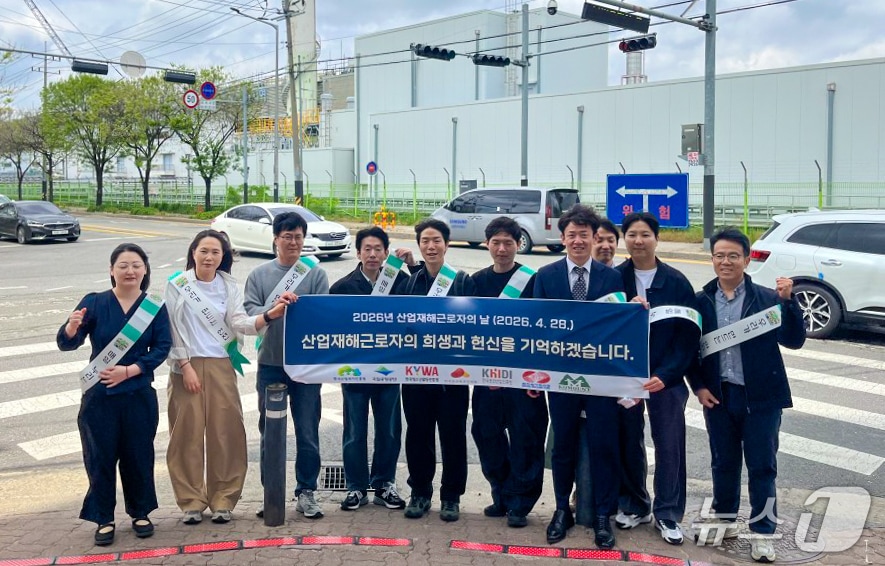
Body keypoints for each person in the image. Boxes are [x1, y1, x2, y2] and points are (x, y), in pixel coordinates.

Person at [689, 227, 805, 564]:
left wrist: (790, 303)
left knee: (762, 467)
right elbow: (689, 351)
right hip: (719, 398)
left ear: (746, 258)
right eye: (719, 255)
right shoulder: (701, 301)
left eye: (733, 256)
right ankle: (724, 521)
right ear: (712, 259)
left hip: (761, 398)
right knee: (723, 463)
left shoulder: (767, 298)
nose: (725, 262)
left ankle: (763, 532)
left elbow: (794, 340)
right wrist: (699, 386)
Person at [165, 229, 285, 525]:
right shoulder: (178, 285)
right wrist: (185, 366)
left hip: (222, 365)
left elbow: (239, 322)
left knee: (226, 433)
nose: (209, 257)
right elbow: (171, 329)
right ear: (193, 252)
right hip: (186, 367)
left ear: (223, 257)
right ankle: (191, 501)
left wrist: (267, 316)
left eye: (215, 252)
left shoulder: (229, 286)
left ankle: (223, 499)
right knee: (186, 435)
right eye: (203, 250)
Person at [57, 243, 172, 547]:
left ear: (145, 270)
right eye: (123, 265)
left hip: (137, 395)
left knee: (138, 456)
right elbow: (69, 343)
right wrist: (70, 329)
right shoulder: (94, 303)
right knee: (100, 458)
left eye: (136, 265)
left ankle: (141, 512)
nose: (130, 271)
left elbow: (162, 347)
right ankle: (103, 517)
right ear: (111, 270)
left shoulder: (154, 307)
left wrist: (131, 369)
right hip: (100, 397)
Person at [533, 204, 625, 549]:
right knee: (563, 446)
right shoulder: (547, 276)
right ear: (563, 238)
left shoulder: (611, 277)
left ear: (593, 238)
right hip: (559, 378)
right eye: (571, 235)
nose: (577, 241)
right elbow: (535, 330)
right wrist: (535, 377)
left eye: (583, 235)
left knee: (604, 444)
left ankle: (603, 515)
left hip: (601, 379)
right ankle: (560, 510)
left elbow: (618, 328)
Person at [614, 212, 699, 545]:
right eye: (632, 234)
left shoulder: (676, 281)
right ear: (625, 239)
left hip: (667, 381)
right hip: (626, 378)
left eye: (645, 234)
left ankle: (668, 512)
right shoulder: (614, 279)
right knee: (628, 442)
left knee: (669, 446)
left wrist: (666, 375)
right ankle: (635, 504)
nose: (638, 240)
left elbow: (689, 336)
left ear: (657, 238)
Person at [244, 212, 329, 519]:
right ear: (275, 240)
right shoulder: (259, 275)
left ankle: (307, 492)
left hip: (306, 365)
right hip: (271, 363)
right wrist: (276, 306)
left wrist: (301, 306)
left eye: (298, 236)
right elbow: (251, 313)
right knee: (270, 432)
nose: (293, 242)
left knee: (307, 430)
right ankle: (272, 493)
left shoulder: (316, 274)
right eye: (287, 236)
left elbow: (324, 313)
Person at [395, 217, 476, 522]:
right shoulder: (409, 283)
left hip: (454, 376)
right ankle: (420, 493)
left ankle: (452, 496)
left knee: (453, 435)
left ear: (447, 244)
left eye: (437, 241)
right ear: (419, 246)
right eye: (425, 241)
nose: (431, 246)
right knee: (418, 434)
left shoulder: (463, 281)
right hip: (416, 376)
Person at [330, 226, 415, 511]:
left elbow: (424, 302)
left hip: (390, 370)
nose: (373, 254)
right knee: (355, 430)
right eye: (367, 248)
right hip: (354, 372)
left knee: (389, 430)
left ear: (387, 253)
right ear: (358, 253)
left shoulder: (401, 282)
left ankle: (384, 484)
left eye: (378, 249)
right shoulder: (342, 287)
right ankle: (356, 487)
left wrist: (413, 266)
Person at [470, 217, 546, 529]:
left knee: (526, 439)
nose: (502, 249)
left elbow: (544, 327)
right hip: (487, 378)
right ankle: (500, 492)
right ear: (487, 245)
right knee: (486, 435)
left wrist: (538, 375)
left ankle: (520, 502)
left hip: (524, 378)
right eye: (496, 243)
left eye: (508, 243)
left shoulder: (533, 280)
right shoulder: (476, 281)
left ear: (518, 245)